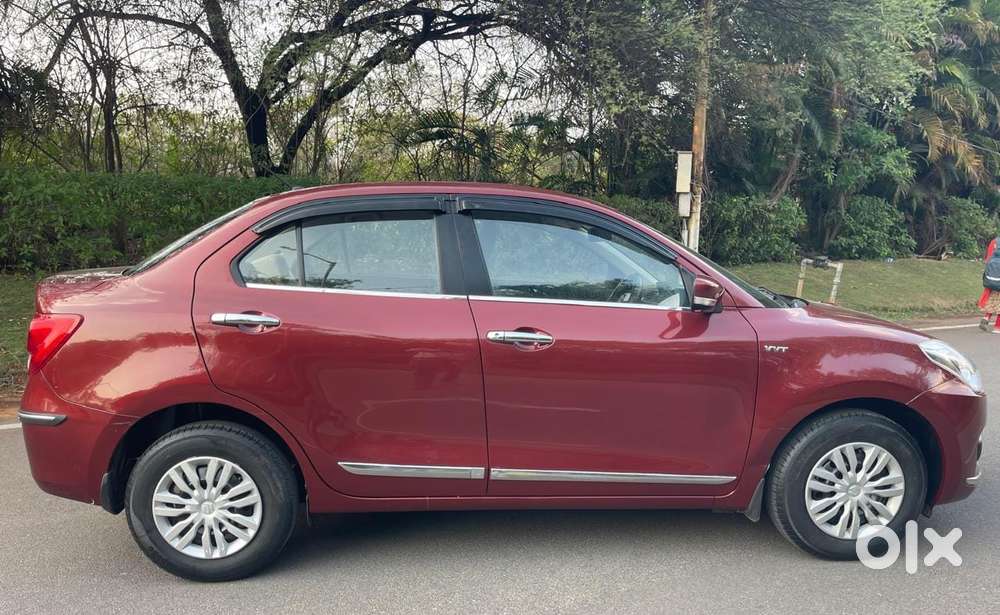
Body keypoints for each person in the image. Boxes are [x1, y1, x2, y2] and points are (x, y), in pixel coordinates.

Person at [980, 235, 1000, 332]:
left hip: (992, 275)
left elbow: (988, 259)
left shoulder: (994, 241)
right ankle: (997, 327)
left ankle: (986, 317)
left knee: (992, 298)